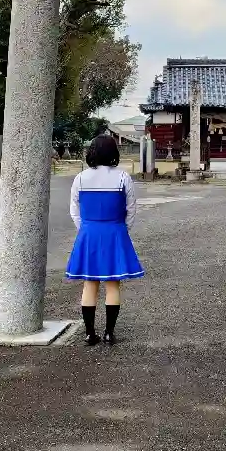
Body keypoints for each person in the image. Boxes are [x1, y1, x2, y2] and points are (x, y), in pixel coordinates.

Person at [66, 134, 144, 345]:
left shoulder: (80, 178)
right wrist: (121, 229)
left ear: (92, 152)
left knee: (89, 283)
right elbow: (131, 209)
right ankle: (109, 333)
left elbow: (74, 210)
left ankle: (89, 333)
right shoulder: (123, 177)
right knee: (112, 283)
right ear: (113, 153)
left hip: (89, 232)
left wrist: (86, 229)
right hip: (115, 232)